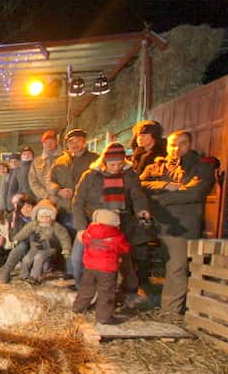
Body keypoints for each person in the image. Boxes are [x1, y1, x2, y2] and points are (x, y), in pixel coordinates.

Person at [140, 130, 217, 313]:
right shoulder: (157, 166)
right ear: (167, 146)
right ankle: (143, 299)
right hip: (155, 221)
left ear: (190, 145)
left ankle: (170, 312)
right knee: (137, 257)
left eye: (183, 143)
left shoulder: (201, 166)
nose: (177, 148)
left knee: (176, 267)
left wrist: (157, 199)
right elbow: (139, 185)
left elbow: (195, 193)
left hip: (181, 224)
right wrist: (166, 185)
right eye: (173, 144)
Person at [72, 142, 150, 294]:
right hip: (92, 224)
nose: (116, 168)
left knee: (123, 259)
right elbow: (77, 202)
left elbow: (138, 196)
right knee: (77, 258)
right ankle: (83, 290)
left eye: (119, 164)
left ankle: (126, 290)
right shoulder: (90, 176)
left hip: (118, 224)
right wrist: (81, 228)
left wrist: (142, 211)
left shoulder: (130, 175)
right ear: (104, 162)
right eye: (112, 164)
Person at [48, 129, 99, 283]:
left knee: (85, 244)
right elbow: (50, 181)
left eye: (78, 141)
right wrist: (58, 190)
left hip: (85, 210)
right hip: (65, 208)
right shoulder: (60, 161)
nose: (74, 144)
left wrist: (77, 192)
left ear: (84, 142)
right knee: (67, 240)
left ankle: (87, 277)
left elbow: (99, 184)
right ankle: (71, 272)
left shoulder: (95, 160)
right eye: (71, 142)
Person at [73, 209, 131, 324]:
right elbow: (125, 248)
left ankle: (78, 308)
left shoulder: (90, 231)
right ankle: (103, 317)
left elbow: (83, 239)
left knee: (86, 289)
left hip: (90, 267)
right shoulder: (117, 235)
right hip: (107, 270)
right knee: (106, 293)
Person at [4, 200, 71, 285]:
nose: (45, 219)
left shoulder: (55, 226)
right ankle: (23, 275)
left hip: (48, 249)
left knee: (38, 258)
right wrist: (16, 239)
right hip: (35, 247)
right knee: (26, 259)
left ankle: (34, 277)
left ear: (51, 216)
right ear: (38, 217)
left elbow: (64, 236)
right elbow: (25, 232)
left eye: (48, 217)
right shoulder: (34, 224)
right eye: (42, 217)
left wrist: (66, 248)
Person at [29, 130, 63, 201]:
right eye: (45, 142)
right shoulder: (36, 162)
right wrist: (46, 196)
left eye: (51, 141)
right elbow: (33, 182)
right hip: (44, 201)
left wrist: (62, 193)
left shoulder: (65, 158)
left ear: (56, 142)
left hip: (63, 199)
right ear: (42, 144)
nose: (48, 144)